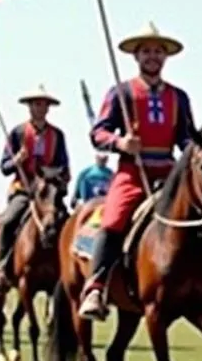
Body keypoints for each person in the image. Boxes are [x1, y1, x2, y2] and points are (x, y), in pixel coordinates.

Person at [78, 23, 195, 321]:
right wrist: (120, 142)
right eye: (146, 51)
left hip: (169, 174)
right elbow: (98, 133)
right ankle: (96, 286)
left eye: (158, 51)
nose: (152, 56)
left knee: (200, 218)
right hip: (132, 171)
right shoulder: (121, 92)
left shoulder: (178, 97)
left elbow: (185, 137)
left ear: (166, 57)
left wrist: (196, 151)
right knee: (113, 219)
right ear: (137, 57)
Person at [0, 87, 70, 292]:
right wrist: (17, 160)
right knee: (7, 222)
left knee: (67, 222)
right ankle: (0, 268)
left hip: (47, 191)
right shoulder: (17, 133)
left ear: (48, 108)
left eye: (43, 104)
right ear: (29, 107)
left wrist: (57, 178)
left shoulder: (57, 135)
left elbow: (64, 165)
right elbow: (4, 167)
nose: (39, 108)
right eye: (35, 104)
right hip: (23, 189)